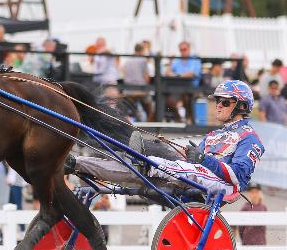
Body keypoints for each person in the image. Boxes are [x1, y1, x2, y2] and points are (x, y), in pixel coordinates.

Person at [66, 80, 264, 197]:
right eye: (218, 100)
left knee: (152, 164)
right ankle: (77, 163)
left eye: (225, 102)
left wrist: (203, 159)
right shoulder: (214, 135)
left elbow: (238, 177)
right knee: (132, 169)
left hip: (222, 186)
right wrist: (181, 152)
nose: (218, 105)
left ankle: (147, 161)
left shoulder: (249, 138)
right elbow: (194, 162)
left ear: (242, 106)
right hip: (196, 177)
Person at [238, 183, 267, 250]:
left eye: (256, 192)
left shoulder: (263, 207)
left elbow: (264, 227)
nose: (254, 194)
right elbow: (240, 226)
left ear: (260, 193)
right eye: (252, 192)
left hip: (261, 242)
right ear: (249, 194)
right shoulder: (245, 207)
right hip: (248, 242)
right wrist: (244, 239)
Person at [122, 43, 153, 121]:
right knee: (148, 98)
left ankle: (136, 115)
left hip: (128, 90)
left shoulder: (127, 61)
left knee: (136, 99)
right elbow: (147, 78)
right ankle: (150, 119)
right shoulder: (143, 60)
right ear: (141, 51)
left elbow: (123, 73)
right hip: (139, 90)